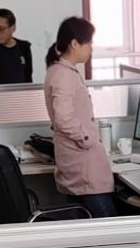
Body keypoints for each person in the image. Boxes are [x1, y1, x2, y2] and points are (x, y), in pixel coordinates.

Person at [43, 17, 117, 218]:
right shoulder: (63, 75)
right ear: (75, 43)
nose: (91, 48)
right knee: (109, 225)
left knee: (87, 221)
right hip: (83, 163)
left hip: (76, 159)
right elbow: (63, 118)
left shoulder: (60, 71)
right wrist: (88, 138)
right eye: (89, 43)